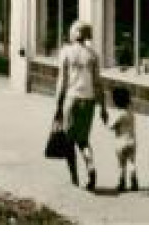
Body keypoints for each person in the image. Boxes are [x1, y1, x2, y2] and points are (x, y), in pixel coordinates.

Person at [53, 20, 107, 190]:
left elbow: (62, 81)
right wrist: (103, 108)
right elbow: (98, 83)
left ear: (75, 33)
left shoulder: (66, 53)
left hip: (71, 99)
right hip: (89, 101)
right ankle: (90, 166)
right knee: (83, 140)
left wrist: (58, 107)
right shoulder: (93, 55)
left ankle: (74, 177)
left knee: (69, 141)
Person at [104, 84, 139, 192]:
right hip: (132, 141)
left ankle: (122, 183)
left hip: (120, 142)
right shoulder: (130, 113)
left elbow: (111, 126)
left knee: (121, 164)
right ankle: (133, 178)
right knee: (132, 161)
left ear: (116, 102)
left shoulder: (119, 115)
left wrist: (106, 120)